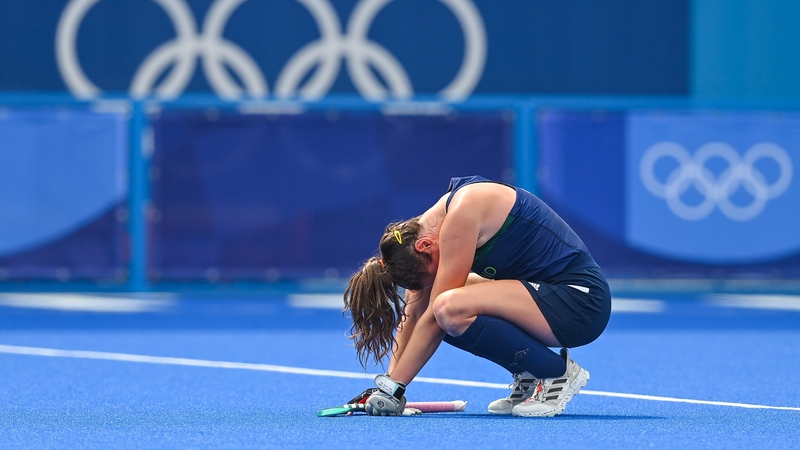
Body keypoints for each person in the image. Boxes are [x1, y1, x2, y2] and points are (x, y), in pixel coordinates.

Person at [343, 175, 611, 417]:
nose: (437, 274)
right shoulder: (424, 234)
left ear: (424, 246)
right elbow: (414, 312)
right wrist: (389, 383)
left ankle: (555, 373)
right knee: (436, 303)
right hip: (547, 299)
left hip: (580, 303)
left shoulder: (461, 214)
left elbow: (435, 318)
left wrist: (394, 389)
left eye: (430, 271)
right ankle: (530, 373)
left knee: (448, 307)